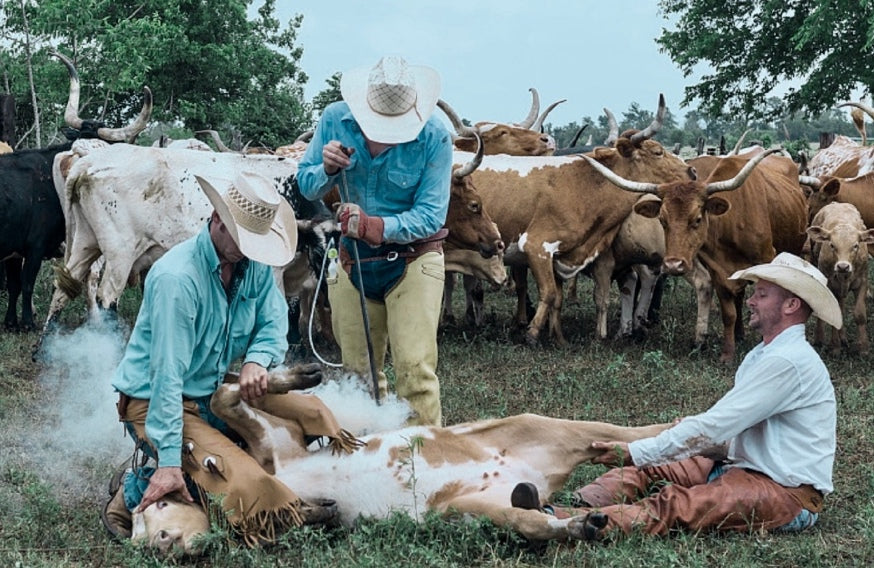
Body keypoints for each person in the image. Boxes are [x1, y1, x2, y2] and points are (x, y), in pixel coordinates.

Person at [511, 252, 841, 540]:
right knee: (653, 467)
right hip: (740, 466)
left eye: (762, 295)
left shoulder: (786, 361)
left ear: (791, 305)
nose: (751, 301)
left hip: (785, 493)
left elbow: (715, 426)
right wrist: (673, 445)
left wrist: (637, 450)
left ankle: (564, 521)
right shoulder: (766, 353)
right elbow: (731, 429)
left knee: (677, 503)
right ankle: (572, 504)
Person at [103, 170, 334, 549]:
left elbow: (274, 320)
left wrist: (256, 361)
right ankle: (136, 489)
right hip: (158, 402)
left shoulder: (252, 264)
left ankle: (207, 464)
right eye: (242, 240)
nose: (247, 251)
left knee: (309, 414)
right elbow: (166, 376)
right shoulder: (177, 280)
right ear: (216, 220)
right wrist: (169, 464)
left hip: (211, 389)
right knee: (245, 481)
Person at [296, 55, 453, 426]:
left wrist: (372, 226)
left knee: (415, 370)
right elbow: (306, 183)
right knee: (357, 374)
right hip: (353, 259)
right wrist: (328, 168)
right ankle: (368, 460)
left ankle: (421, 467)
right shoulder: (335, 118)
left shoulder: (434, 136)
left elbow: (432, 215)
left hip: (415, 259)